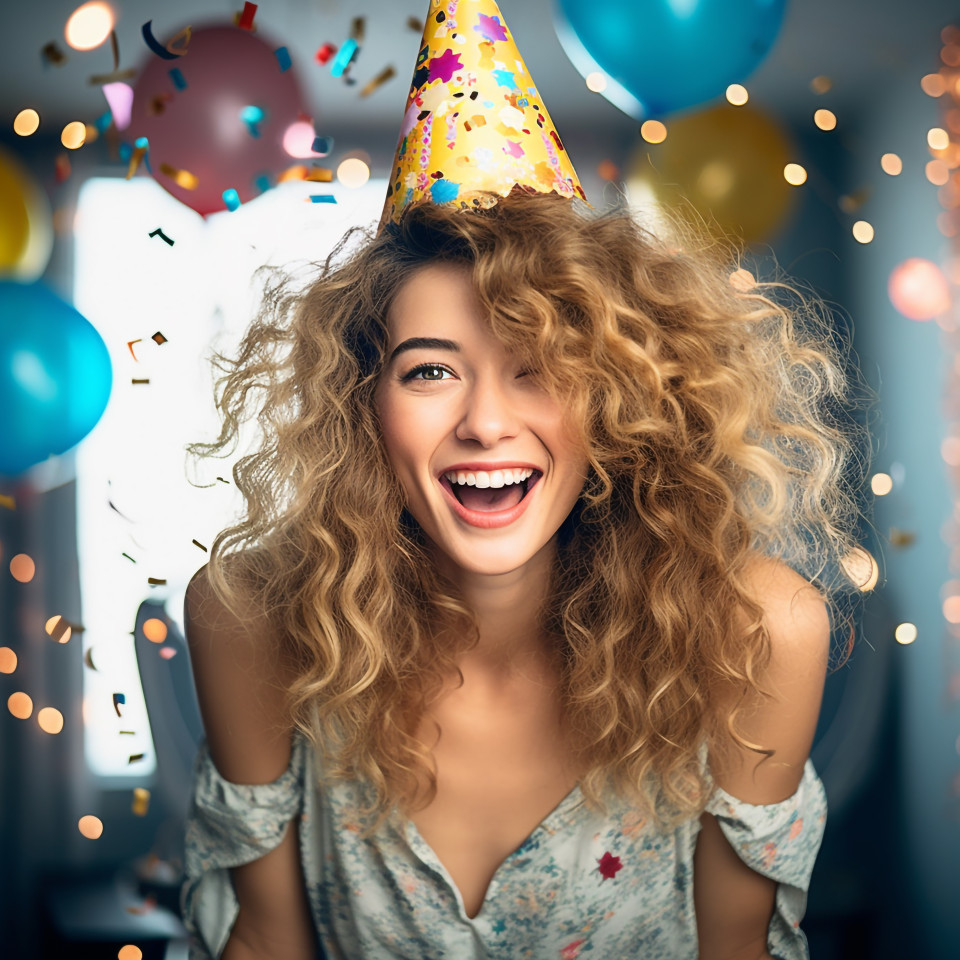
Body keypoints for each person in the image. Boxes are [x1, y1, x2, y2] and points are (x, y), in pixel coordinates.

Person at [180, 3, 875, 959]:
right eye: (430, 370)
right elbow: (264, 941)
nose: (487, 422)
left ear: (619, 397)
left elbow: (737, 949)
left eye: (538, 364)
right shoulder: (252, 616)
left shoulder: (755, 632)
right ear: (360, 404)